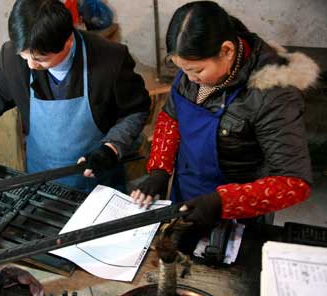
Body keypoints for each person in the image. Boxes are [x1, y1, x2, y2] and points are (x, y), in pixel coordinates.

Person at [131, 1, 318, 226]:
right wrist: (159, 170)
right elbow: (171, 117)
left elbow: (293, 182)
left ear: (227, 51)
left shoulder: (273, 95)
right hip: (186, 189)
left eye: (197, 70)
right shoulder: (191, 74)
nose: (190, 79)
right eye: (183, 70)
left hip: (237, 212)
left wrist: (222, 202)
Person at [0, 0, 151, 192]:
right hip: (41, 182)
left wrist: (112, 146)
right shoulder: (12, 58)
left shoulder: (110, 59)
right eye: (25, 56)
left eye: (39, 59)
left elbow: (136, 111)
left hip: (98, 182)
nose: (31, 65)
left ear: (68, 42)